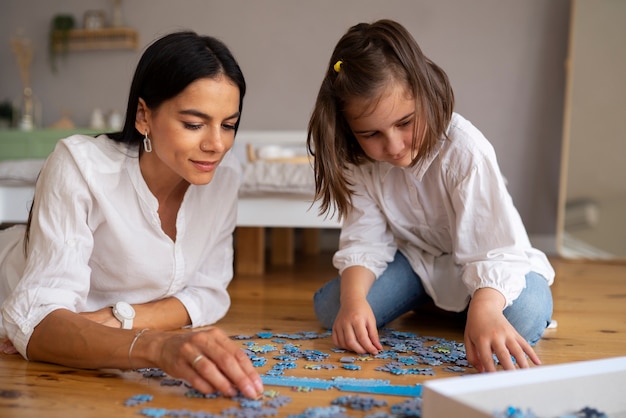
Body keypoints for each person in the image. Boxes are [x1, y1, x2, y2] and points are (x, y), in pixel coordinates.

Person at [0, 31, 263, 399]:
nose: (216, 144)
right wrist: (155, 346)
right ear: (144, 116)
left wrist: (119, 317)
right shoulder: (80, 166)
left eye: (229, 125)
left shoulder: (225, 176)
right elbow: (36, 321)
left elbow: (209, 293)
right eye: (193, 124)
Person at [307, 19, 555, 373]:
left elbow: (493, 249)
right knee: (335, 308)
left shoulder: (465, 150)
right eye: (371, 133)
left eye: (405, 123)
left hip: (490, 261)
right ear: (349, 129)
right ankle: (444, 304)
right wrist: (354, 300)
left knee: (524, 315)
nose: (393, 146)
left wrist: (485, 307)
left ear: (424, 93)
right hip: (417, 264)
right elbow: (366, 240)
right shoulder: (357, 160)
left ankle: (466, 307)